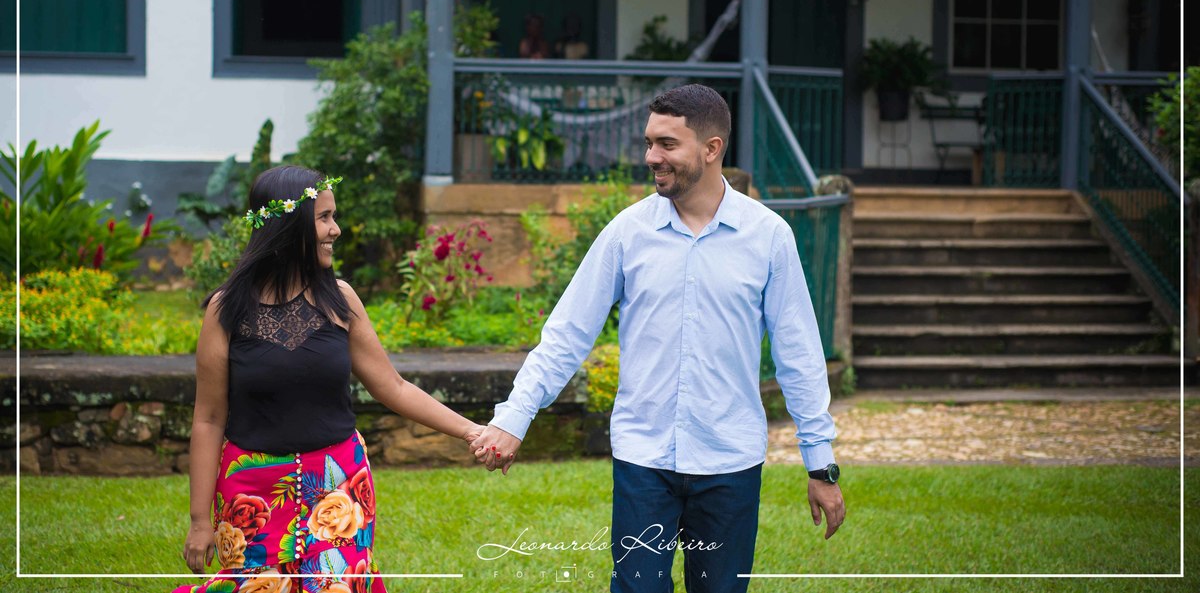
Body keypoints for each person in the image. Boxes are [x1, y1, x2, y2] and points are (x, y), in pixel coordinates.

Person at [471, 84, 844, 592]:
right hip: (643, 461)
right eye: (649, 143)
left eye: (667, 144)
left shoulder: (769, 236)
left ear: (711, 149)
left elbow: (798, 354)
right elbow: (567, 335)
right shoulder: (627, 232)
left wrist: (820, 464)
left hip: (730, 461)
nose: (651, 157)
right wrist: (514, 418)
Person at [173, 165, 483, 593]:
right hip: (252, 492)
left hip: (339, 486)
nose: (336, 229)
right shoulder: (226, 311)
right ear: (288, 225)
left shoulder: (341, 300)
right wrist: (198, 521)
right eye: (324, 218)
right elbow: (208, 419)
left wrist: (471, 431)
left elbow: (393, 387)